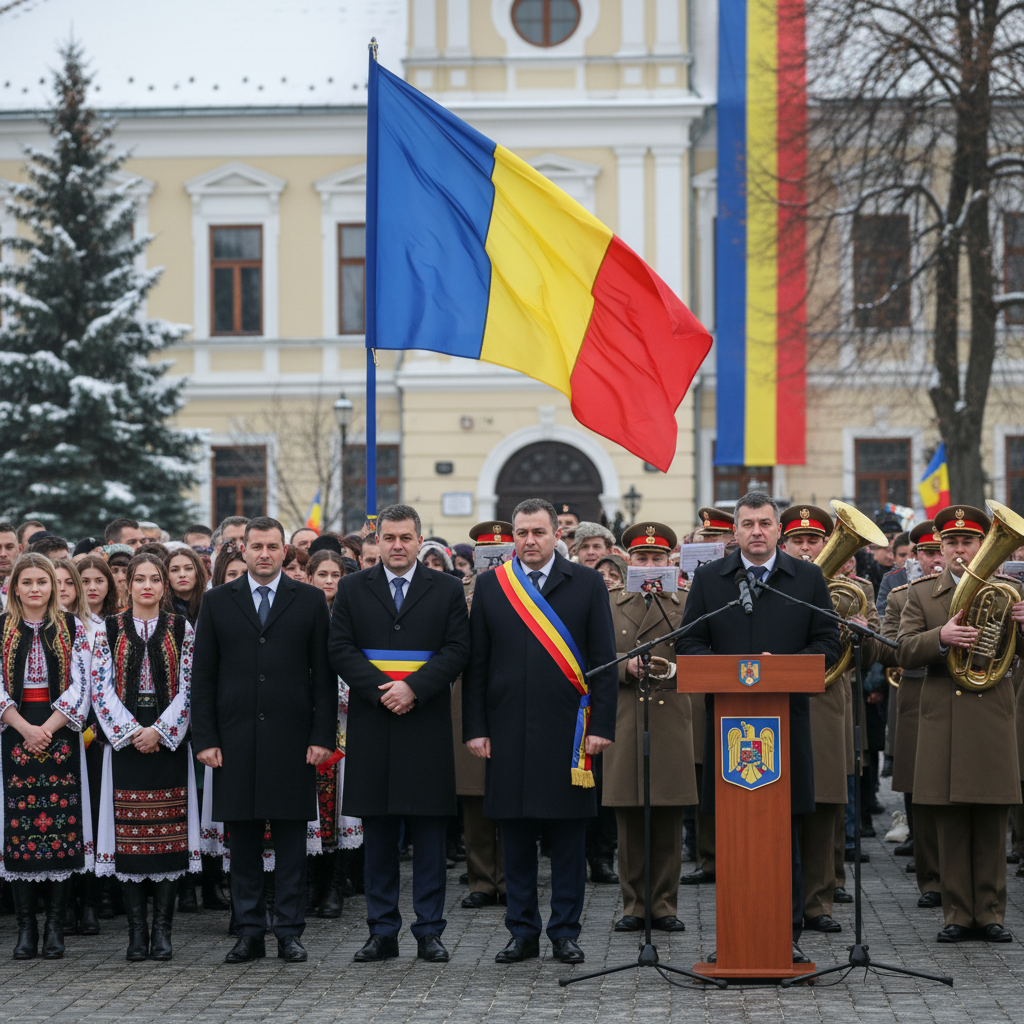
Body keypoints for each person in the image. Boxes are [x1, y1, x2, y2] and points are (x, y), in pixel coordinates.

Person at [676, 491, 841, 963]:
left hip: (786, 727)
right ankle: (734, 937)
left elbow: (827, 641)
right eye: (747, 524)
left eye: (765, 523)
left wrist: (783, 665)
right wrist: (728, 667)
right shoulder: (711, 579)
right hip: (729, 726)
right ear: (735, 531)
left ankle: (785, 936)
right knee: (732, 838)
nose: (756, 532)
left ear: (778, 530)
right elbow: (689, 642)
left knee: (783, 835)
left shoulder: (806, 578)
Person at [463, 498, 617, 965]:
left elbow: (604, 661)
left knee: (568, 840)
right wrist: (476, 727)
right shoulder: (492, 585)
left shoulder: (586, 583)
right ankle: (522, 931)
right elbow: (477, 665)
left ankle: (565, 932)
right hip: (507, 730)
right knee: (515, 839)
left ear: (557, 536)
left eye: (539, 532)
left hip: (570, 732)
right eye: (522, 533)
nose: (530, 541)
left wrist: (602, 726)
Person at [329, 504, 471, 964]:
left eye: (405, 538)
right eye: (389, 537)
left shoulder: (446, 588)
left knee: (429, 838)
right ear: (377, 541)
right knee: (380, 840)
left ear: (419, 541)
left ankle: (429, 931)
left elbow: (458, 649)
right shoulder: (353, 587)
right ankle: (382, 931)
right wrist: (382, 691)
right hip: (374, 725)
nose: (397, 546)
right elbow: (340, 648)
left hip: (426, 724)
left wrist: (414, 688)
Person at [191, 516, 336, 965]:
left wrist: (322, 736)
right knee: (243, 845)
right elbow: (203, 677)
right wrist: (205, 738)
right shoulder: (217, 601)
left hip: (293, 740)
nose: (265, 554)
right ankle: (249, 931)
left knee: (292, 844)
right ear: (243, 550)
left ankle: (289, 932)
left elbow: (324, 676)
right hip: (234, 740)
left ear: (285, 551)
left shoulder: (309, 600)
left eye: (273, 547)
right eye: (257, 547)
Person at [896, 504, 1024, 943]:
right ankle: (956, 914)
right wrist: (941, 637)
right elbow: (902, 650)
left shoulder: (1011, 591)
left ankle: (990, 914)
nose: (959, 550)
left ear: (983, 544)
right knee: (948, 822)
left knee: (991, 819)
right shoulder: (921, 593)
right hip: (943, 712)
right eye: (951, 542)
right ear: (941, 546)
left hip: (992, 711)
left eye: (968, 541)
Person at [90, 553, 198, 961]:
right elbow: (100, 686)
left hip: (168, 739)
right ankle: (137, 933)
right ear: (128, 584)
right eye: (140, 579)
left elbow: (190, 685)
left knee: (169, 836)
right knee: (129, 837)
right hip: (126, 740)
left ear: (164, 586)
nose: (147, 586)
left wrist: (162, 731)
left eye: (155, 579)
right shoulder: (109, 628)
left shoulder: (181, 628)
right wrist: (131, 731)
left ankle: (163, 931)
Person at [0, 554, 93, 960]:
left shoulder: (73, 627)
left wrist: (47, 729)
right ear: (15, 588)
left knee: (61, 826)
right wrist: (24, 728)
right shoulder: (1, 628)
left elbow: (83, 684)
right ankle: (26, 928)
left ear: (53, 587)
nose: (35, 588)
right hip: (13, 729)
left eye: (42, 581)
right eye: (27, 582)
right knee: (19, 829)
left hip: (60, 731)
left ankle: (55, 926)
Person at [603, 522, 695, 933]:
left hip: (670, 711)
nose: (650, 565)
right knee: (629, 814)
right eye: (642, 558)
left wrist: (673, 669)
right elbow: (591, 654)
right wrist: (624, 667)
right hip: (626, 712)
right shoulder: (610, 602)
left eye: (657, 558)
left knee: (668, 814)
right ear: (628, 561)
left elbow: (704, 653)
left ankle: (664, 904)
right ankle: (634, 905)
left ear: (670, 561)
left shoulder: (685, 601)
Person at [775, 505, 850, 935]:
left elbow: (883, 650)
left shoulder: (849, 590)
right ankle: (777, 899)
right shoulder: (768, 584)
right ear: (784, 544)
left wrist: (855, 630)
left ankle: (819, 903)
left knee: (822, 808)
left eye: (814, 540)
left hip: (823, 704)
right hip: (771, 706)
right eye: (798, 540)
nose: (806, 548)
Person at [876, 521, 945, 907]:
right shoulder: (903, 594)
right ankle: (931, 875)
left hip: (969, 695)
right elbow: (889, 648)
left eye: (940, 550)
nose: (936, 558)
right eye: (928, 552)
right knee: (921, 789)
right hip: (918, 692)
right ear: (916, 556)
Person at [454, 521, 514, 910]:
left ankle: (510, 877)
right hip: (468, 692)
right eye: (487, 552)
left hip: (509, 692)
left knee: (509, 790)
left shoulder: (523, 588)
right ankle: (481, 879)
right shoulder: (458, 591)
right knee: (474, 793)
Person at [304, 549, 362, 919]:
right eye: (322, 574)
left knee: (339, 809)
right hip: (306, 722)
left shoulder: (351, 614)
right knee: (311, 807)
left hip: (343, 723)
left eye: (335, 575)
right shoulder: (301, 612)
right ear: (309, 577)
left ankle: (334, 886)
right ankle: (311, 883)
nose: (328, 581)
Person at [165, 547, 207, 627]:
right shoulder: (159, 612)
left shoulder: (210, 606)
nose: (182, 575)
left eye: (188, 568)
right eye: (175, 570)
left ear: (198, 573)